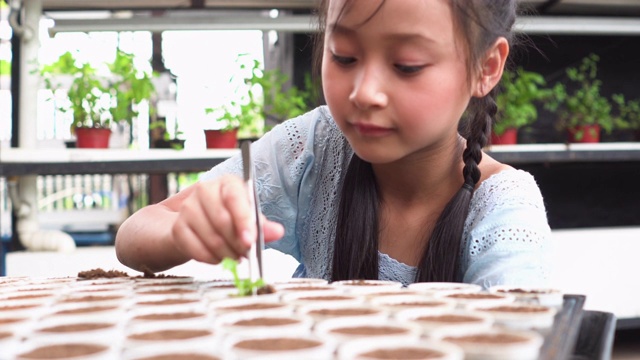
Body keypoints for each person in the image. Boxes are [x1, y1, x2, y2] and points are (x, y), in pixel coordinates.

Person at [115, 0, 551, 288]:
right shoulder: (313, 147)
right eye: (344, 55)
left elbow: (517, 336)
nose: (364, 92)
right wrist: (184, 229)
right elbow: (135, 235)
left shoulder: (504, 208)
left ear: (485, 67)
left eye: (406, 65)